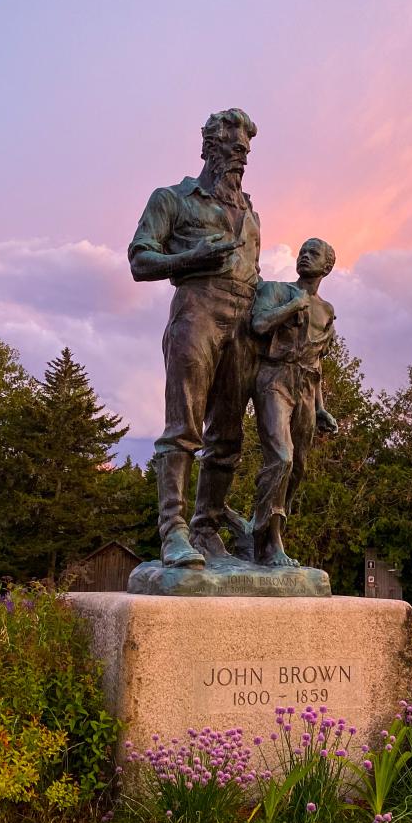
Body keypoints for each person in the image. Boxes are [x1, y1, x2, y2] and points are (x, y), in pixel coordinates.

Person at [128, 109, 260, 567]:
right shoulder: (173, 199)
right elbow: (140, 260)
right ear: (210, 147)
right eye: (233, 148)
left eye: (245, 151)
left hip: (243, 326)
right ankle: (173, 532)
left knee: (228, 438)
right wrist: (190, 258)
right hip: (196, 313)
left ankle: (206, 529)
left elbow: (254, 277)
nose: (241, 157)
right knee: (183, 427)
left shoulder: (251, 214)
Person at [250, 237, 338, 567]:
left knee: (297, 467)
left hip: (304, 387)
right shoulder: (277, 291)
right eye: (302, 251)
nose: (303, 256)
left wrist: (319, 407)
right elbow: (258, 325)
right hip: (274, 378)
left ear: (327, 266)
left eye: (312, 253)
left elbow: (316, 364)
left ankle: (262, 531)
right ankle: (269, 541)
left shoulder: (327, 312)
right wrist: (291, 307)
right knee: (282, 457)